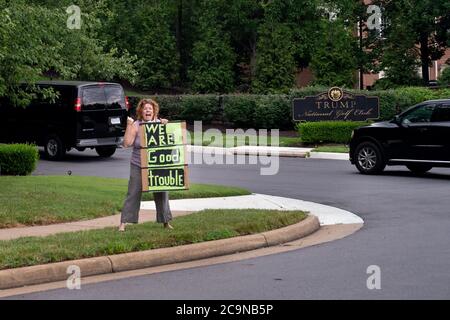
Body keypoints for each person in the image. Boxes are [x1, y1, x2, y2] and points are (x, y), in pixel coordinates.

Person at [119, 98, 173, 232]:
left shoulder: (161, 124)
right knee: (133, 193)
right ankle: (123, 223)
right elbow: (126, 144)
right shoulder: (136, 125)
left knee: (162, 192)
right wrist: (129, 126)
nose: (147, 110)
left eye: (150, 108)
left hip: (157, 165)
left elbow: (171, 142)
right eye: (145, 109)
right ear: (141, 112)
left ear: (154, 111)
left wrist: (167, 127)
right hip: (138, 164)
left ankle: (165, 222)